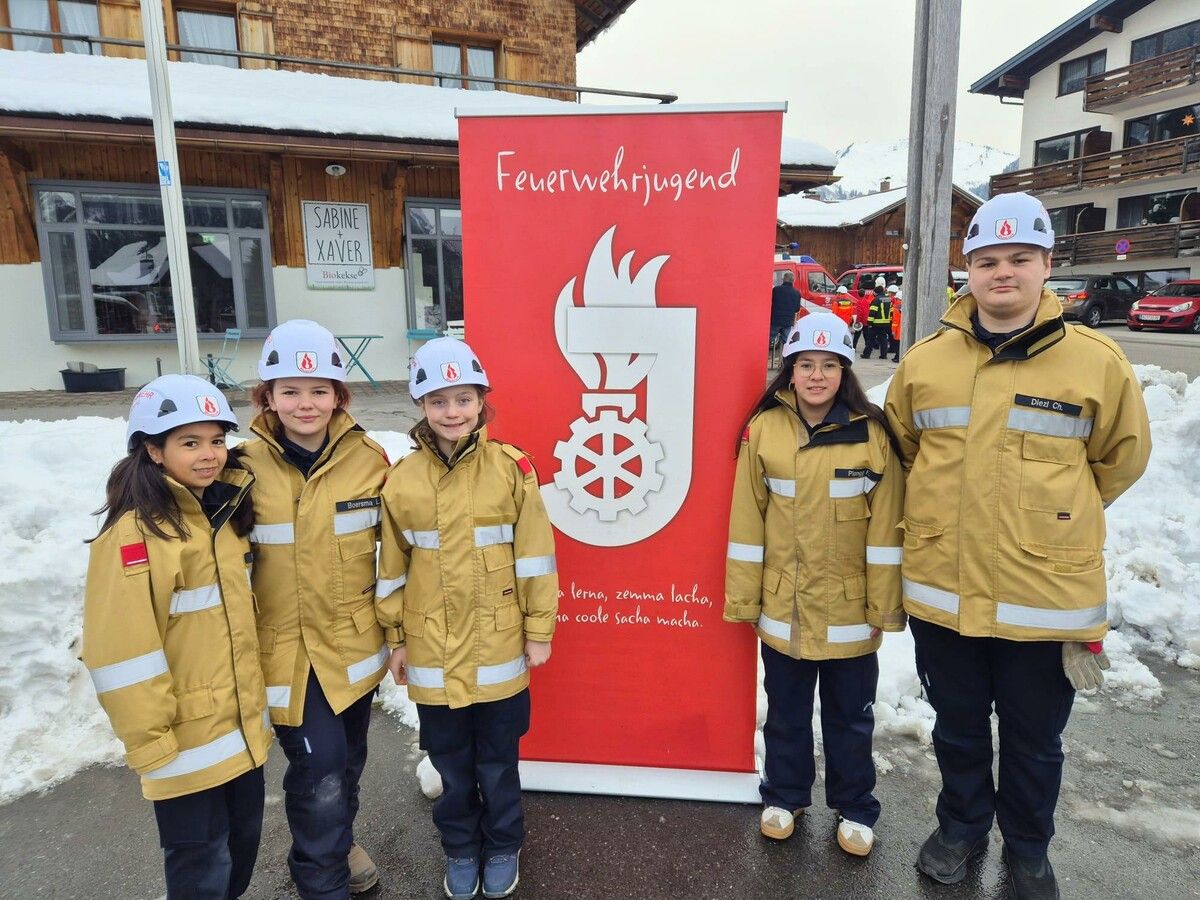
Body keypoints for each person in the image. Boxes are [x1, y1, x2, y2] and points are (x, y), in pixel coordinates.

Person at [884, 192, 1151, 899]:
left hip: (1046, 601)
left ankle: (1028, 850)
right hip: (945, 593)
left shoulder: (1096, 362)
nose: (1003, 273)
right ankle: (962, 827)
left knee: (1035, 743)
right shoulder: (925, 363)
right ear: (967, 270)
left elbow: (1119, 459)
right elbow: (902, 454)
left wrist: (1053, 518)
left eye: (1019, 259)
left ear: (1046, 266)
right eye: (988, 261)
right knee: (959, 729)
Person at [377, 338, 559, 900]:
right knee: (452, 765)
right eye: (438, 401)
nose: (452, 411)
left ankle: (502, 845)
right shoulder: (401, 480)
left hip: (500, 645)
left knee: (499, 763)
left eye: (463, 398)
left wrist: (538, 630)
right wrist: (396, 638)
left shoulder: (512, 470)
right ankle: (460, 848)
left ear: (482, 401)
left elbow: (535, 556)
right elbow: (391, 566)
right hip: (431, 652)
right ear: (420, 407)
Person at [82, 374, 270, 900]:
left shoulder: (223, 516)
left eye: (216, 441)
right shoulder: (134, 536)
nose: (209, 455)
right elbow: (119, 652)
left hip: (238, 735)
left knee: (241, 852)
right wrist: (153, 744)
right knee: (200, 865)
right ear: (153, 451)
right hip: (183, 743)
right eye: (190, 442)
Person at [725, 312, 905, 859]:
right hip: (785, 605)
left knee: (851, 716)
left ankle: (854, 807)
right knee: (785, 711)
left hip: (851, 610)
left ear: (845, 370)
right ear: (790, 370)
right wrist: (745, 598)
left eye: (830, 365)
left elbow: (886, 530)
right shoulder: (763, 431)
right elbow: (746, 523)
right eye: (806, 364)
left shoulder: (872, 434)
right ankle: (784, 796)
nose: (817, 376)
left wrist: (884, 605)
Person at [241, 320, 390, 898]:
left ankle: (340, 839)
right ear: (268, 397)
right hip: (285, 653)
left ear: (339, 395)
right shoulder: (238, 467)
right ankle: (320, 878)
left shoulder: (369, 459)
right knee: (320, 768)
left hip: (352, 648)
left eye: (319, 390)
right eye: (290, 391)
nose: (306, 404)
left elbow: (402, 549)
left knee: (347, 759)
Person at [770, 271, 802, 355]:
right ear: (793, 281)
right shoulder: (796, 293)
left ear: (783, 279)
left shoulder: (776, 290)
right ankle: (784, 362)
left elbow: (770, 303)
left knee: (768, 341)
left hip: (775, 321)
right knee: (787, 344)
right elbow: (797, 309)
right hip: (788, 323)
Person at [861, 278, 891, 359]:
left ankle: (866, 354)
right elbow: (891, 311)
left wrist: (869, 323)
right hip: (886, 323)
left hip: (875, 324)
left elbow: (872, 313)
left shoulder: (876, 300)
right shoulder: (888, 299)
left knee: (870, 340)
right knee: (883, 340)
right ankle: (883, 355)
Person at [852, 285, 871, 350]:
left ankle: (853, 347)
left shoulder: (859, 302)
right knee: (866, 336)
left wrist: (857, 321)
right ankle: (867, 348)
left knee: (856, 336)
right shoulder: (867, 302)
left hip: (860, 321)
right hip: (866, 321)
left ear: (858, 294)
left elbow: (859, 313)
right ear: (864, 294)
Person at [889, 287, 902, 363]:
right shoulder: (906, 305)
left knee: (897, 344)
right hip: (903, 328)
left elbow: (895, 320)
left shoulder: (896, 307)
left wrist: (893, 330)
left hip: (898, 329)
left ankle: (897, 357)